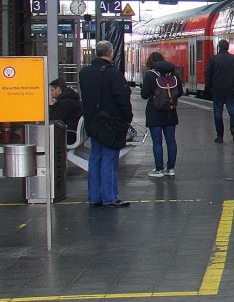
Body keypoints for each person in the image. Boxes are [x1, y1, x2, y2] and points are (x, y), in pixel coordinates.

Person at [78, 40, 134, 208]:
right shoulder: (113, 74)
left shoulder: (84, 73)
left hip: (92, 122)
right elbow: (122, 98)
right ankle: (110, 197)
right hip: (111, 124)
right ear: (111, 54)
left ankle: (94, 197)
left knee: (95, 158)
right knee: (109, 159)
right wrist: (127, 117)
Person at [141, 51, 181, 178]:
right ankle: (170, 168)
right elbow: (179, 91)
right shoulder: (173, 74)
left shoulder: (150, 75)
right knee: (171, 141)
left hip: (154, 112)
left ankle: (159, 170)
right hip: (170, 111)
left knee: (157, 142)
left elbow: (144, 95)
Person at [204, 39, 234, 144]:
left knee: (218, 113)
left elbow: (208, 75)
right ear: (228, 47)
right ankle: (233, 128)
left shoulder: (213, 60)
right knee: (232, 110)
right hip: (231, 90)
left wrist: (210, 87)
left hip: (217, 91)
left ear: (219, 47)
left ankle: (220, 136)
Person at [49, 77, 83, 145]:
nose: (51, 93)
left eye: (52, 90)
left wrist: (50, 106)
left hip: (67, 135)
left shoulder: (64, 103)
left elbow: (53, 120)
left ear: (58, 89)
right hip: (72, 132)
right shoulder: (72, 99)